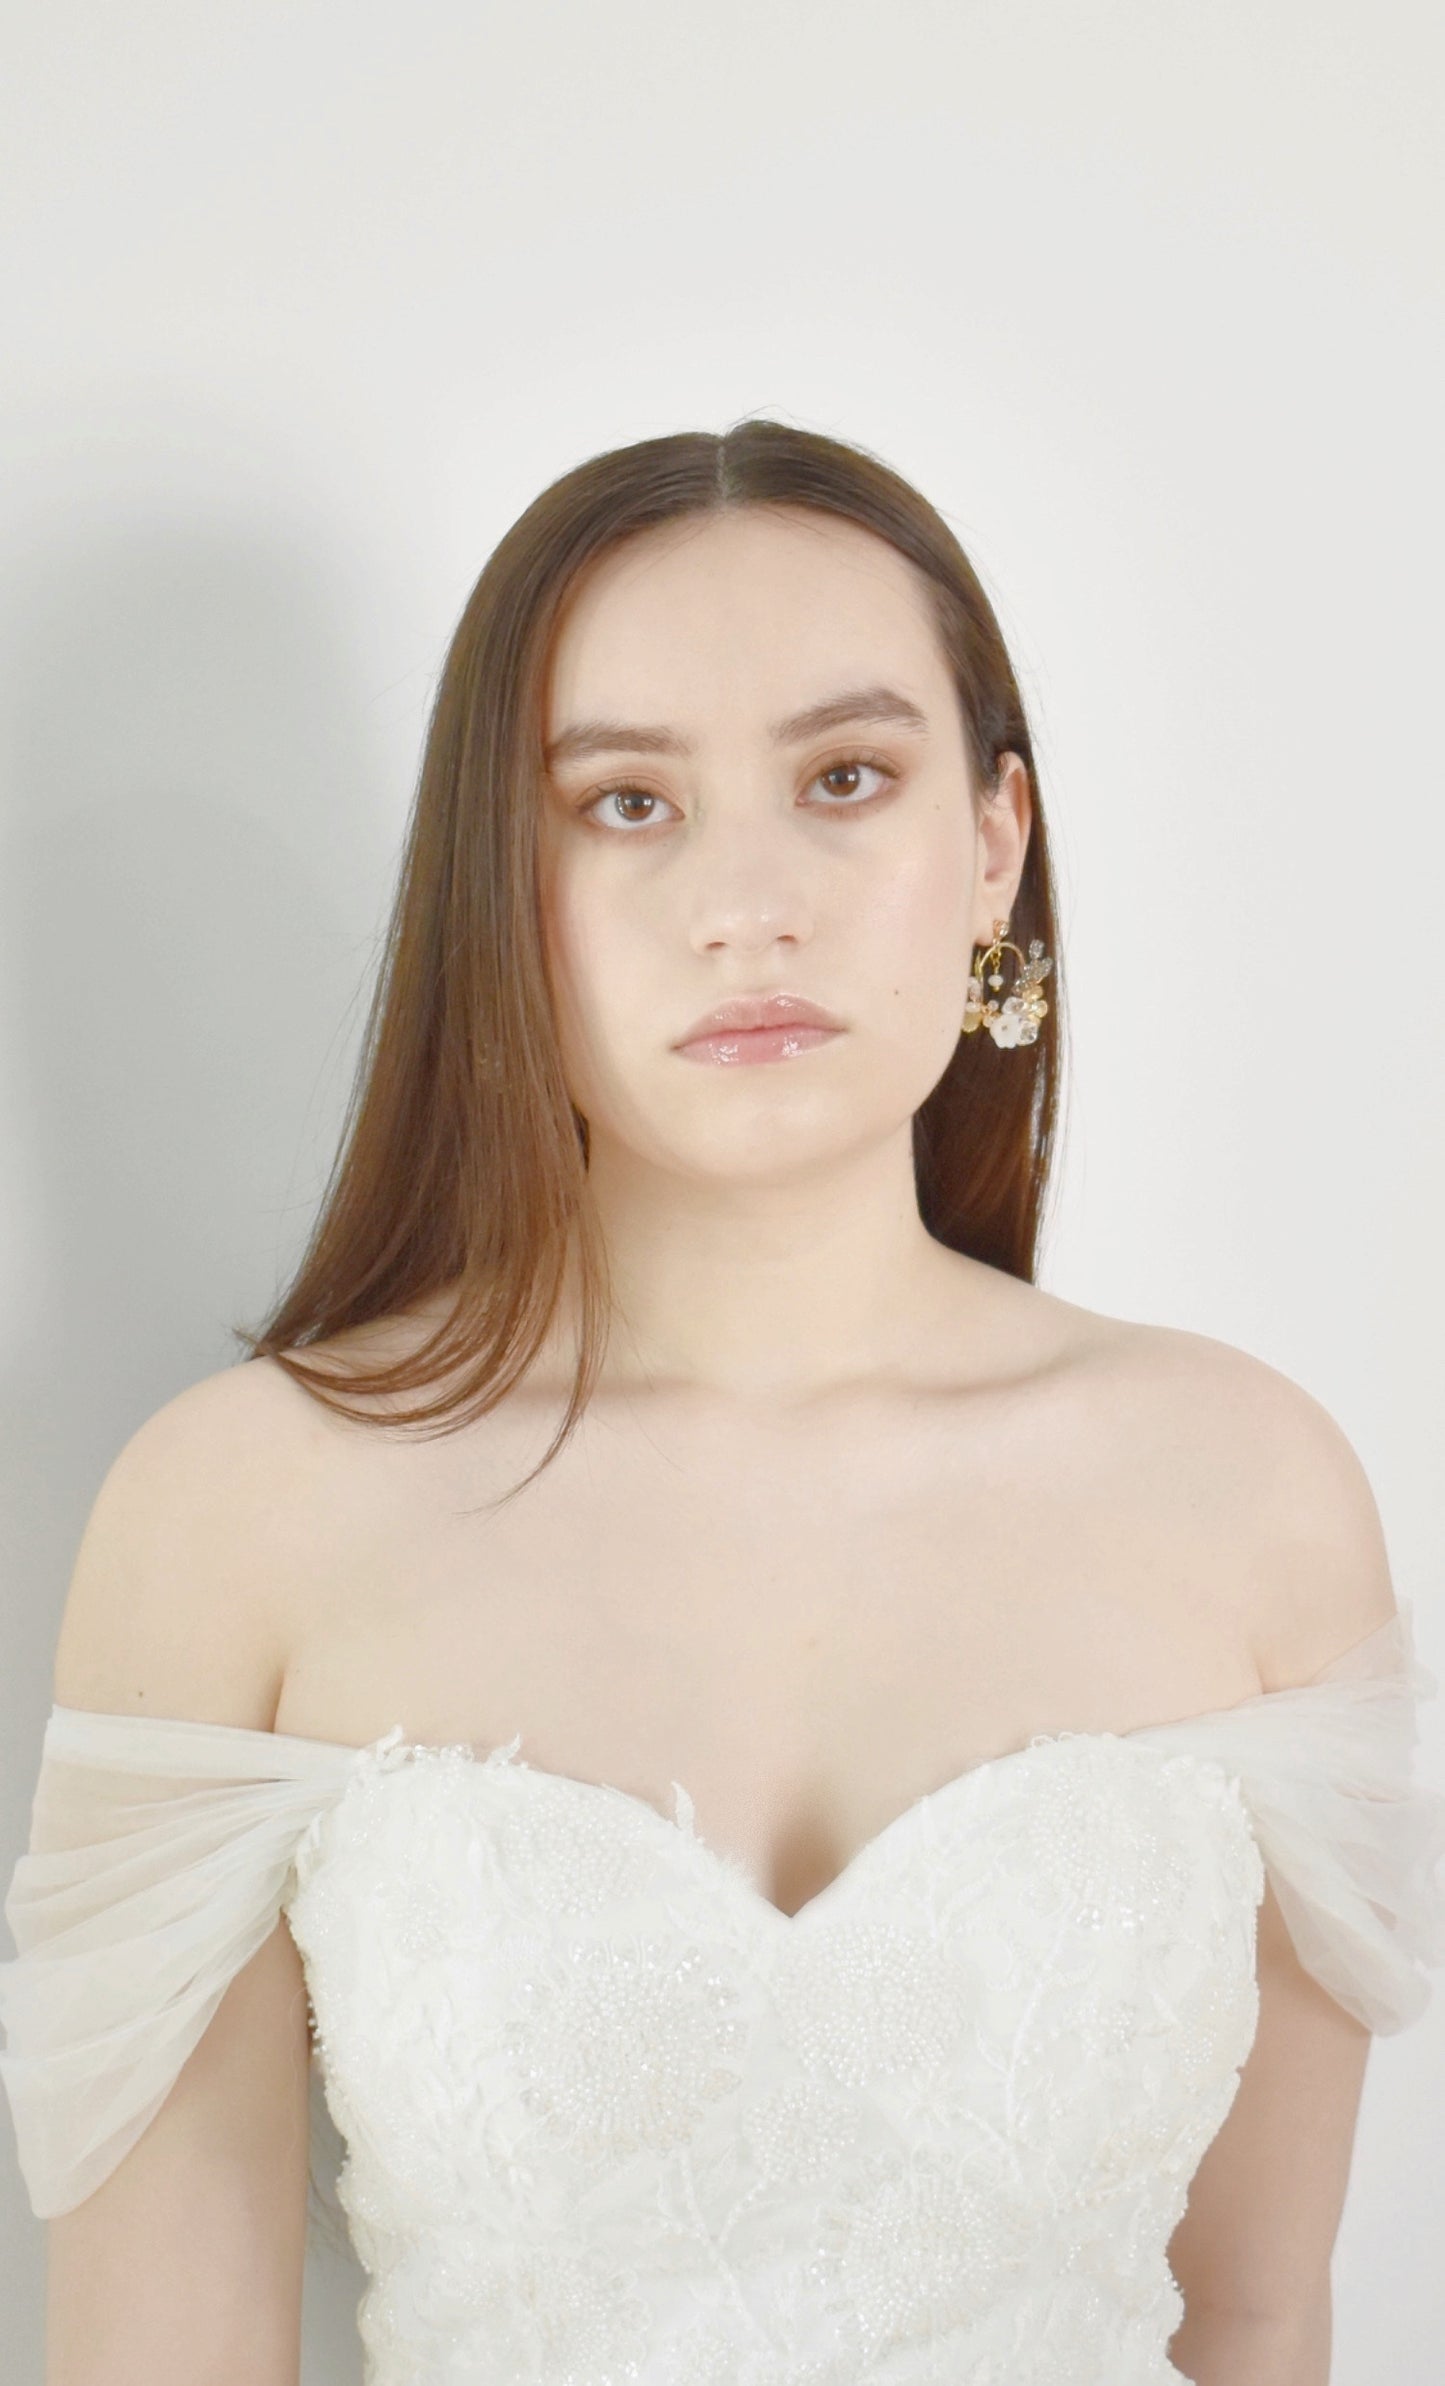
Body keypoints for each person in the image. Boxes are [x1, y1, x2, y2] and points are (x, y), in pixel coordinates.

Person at [2, 418, 1443, 2386]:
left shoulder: (1250, 1492)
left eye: (846, 778)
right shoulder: (243, 1512)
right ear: (498, 884)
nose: (745, 901)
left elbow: (1261, 2321)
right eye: (623, 802)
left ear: (996, 844)